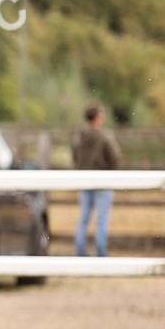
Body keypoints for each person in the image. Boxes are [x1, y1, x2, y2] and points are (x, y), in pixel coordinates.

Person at [72, 104, 121, 256]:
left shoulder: (79, 137)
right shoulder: (104, 137)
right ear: (97, 117)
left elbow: (75, 157)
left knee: (84, 218)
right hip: (102, 182)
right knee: (101, 219)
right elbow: (115, 158)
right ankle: (101, 253)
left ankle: (80, 251)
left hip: (84, 181)